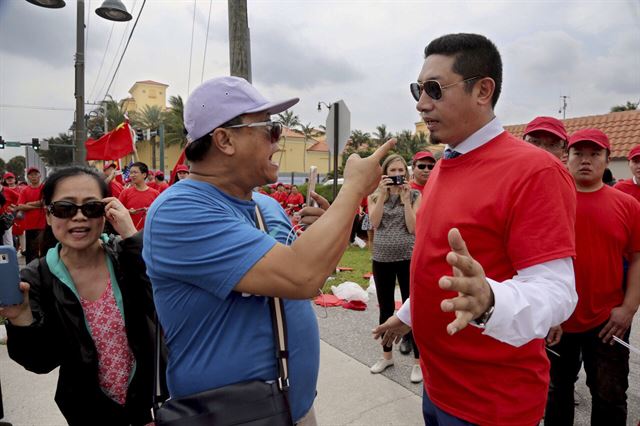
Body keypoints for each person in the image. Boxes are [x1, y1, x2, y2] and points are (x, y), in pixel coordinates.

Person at [142, 76, 393, 424]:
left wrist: (327, 231)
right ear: (224, 140)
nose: (278, 142)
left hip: (292, 404)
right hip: (230, 413)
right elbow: (301, 277)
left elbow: (310, 272)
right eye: (270, 130)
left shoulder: (264, 204)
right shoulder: (179, 211)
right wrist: (353, 190)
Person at [376, 33, 577, 425]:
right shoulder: (442, 166)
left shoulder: (534, 171)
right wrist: (409, 315)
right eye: (418, 89)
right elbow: (443, 268)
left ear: (484, 90)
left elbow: (557, 291)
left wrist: (490, 301)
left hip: (491, 403)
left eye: (434, 89)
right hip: (438, 389)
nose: (421, 103)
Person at [0, 166, 165, 426]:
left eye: (91, 208)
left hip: (152, 408)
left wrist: (132, 236)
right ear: (49, 214)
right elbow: (40, 361)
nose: (79, 218)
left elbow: (165, 309)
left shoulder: (126, 257)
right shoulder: (37, 277)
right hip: (86, 413)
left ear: (106, 211)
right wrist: (21, 318)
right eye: (65, 208)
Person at [544, 129, 640, 425]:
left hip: (607, 320)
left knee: (610, 395)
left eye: (594, 154)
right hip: (559, 320)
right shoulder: (548, 202)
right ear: (567, 157)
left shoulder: (627, 205)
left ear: (607, 159)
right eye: (579, 154)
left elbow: (638, 258)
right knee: (556, 392)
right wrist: (548, 313)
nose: (586, 160)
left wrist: (628, 308)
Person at [367, 154, 422, 382]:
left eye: (401, 171)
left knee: (414, 310)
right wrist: (381, 195)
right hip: (382, 258)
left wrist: (406, 200)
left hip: (408, 257)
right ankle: (387, 356)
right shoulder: (373, 195)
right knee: (385, 308)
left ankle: (418, 363)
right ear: (386, 174)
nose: (398, 175)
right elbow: (375, 223)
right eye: (393, 171)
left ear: (406, 174)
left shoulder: (416, 195)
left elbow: (413, 228)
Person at [14, 167, 46, 264]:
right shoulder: (25, 190)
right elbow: (20, 206)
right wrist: (38, 205)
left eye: (35, 174)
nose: (34, 177)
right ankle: (30, 274)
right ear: (28, 177)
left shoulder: (44, 188)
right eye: (31, 175)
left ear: (39, 175)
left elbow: (45, 202)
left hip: (44, 225)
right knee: (31, 253)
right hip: (30, 226)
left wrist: (28, 204)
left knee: (45, 251)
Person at [118, 162, 159, 230]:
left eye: (135, 172)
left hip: (149, 232)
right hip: (129, 233)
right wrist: (128, 211)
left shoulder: (155, 194)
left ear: (144, 175)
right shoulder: (125, 193)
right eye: (131, 173)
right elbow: (118, 211)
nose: (132, 175)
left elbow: (159, 214)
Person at [0, 181, 18, 246]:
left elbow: (19, 197)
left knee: (7, 240)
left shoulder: (6, 190)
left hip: (4, 218)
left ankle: (10, 255)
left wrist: (14, 207)